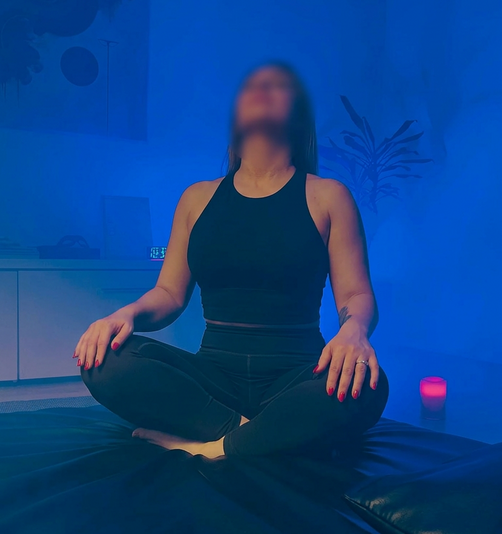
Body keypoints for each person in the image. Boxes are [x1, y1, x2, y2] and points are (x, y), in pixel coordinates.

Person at [77, 61, 389, 459]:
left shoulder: (329, 196)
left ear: (298, 112)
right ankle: (253, 438)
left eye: (277, 85)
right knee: (103, 359)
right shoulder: (196, 198)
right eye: (251, 86)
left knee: (371, 384)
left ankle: (213, 446)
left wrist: (354, 331)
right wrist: (125, 315)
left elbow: (356, 294)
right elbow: (169, 294)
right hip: (213, 380)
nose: (261, 89)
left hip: (298, 375)